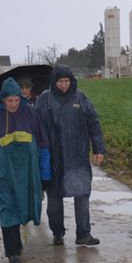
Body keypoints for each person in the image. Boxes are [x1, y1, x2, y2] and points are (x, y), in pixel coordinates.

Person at [0, 78, 51, 263]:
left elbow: (43, 146)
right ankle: (13, 253)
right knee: (7, 209)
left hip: (27, 174)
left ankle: (19, 243)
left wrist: (45, 174)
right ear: (2, 100)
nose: (14, 104)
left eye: (16, 100)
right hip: (2, 174)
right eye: (9, 101)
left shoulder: (31, 114)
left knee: (23, 207)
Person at [35, 65, 106, 246]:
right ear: (54, 82)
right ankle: (57, 232)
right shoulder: (45, 99)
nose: (64, 85)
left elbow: (93, 122)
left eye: (67, 81)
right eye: (60, 82)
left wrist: (99, 148)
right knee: (54, 201)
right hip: (53, 159)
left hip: (78, 157)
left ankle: (83, 233)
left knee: (82, 194)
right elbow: (35, 127)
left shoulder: (80, 97)